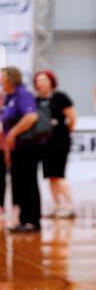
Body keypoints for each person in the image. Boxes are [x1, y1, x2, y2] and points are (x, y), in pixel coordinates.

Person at [0, 67, 40, 232]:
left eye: (2, 75)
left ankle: (33, 221)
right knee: (19, 184)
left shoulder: (23, 94)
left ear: (11, 78)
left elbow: (31, 116)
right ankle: (23, 220)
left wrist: (14, 133)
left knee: (29, 182)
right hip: (16, 148)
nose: (1, 79)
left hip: (27, 146)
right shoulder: (9, 97)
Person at [34, 70, 76, 218]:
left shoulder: (60, 97)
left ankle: (69, 207)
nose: (41, 83)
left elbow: (72, 119)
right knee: (50, 176)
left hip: (60, 141)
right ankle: (58, 207)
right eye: (38, 80)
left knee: (59, 174)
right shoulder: (36, 100)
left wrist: (62, 130)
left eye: (44, 79)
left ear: (51, 81)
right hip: (44, 142)